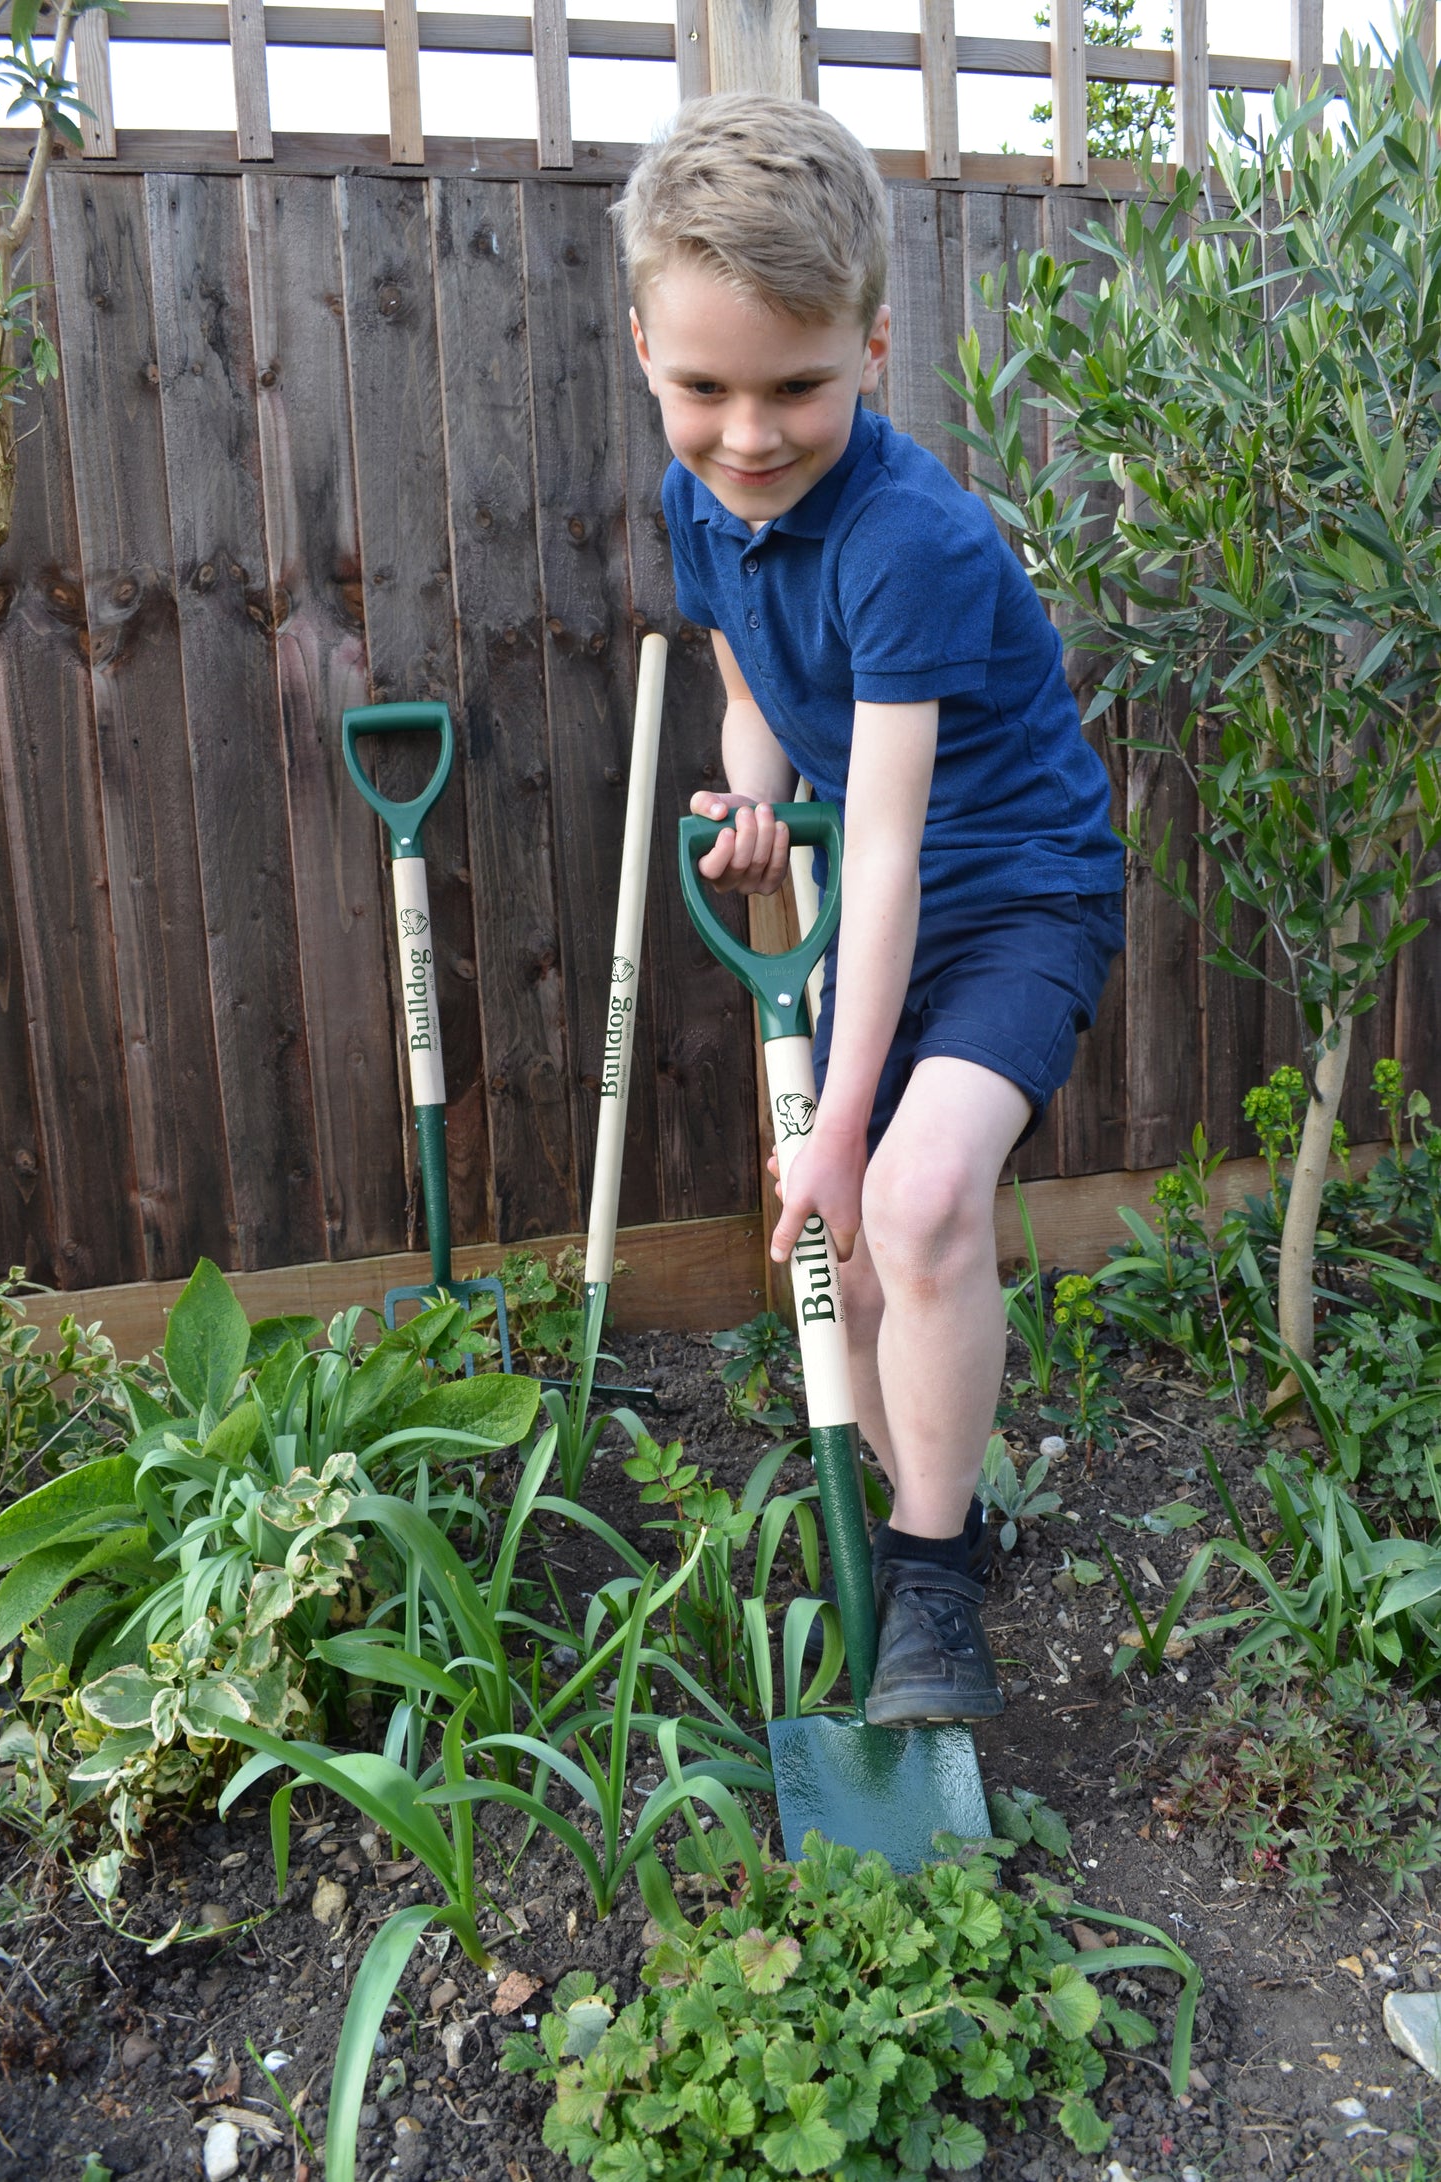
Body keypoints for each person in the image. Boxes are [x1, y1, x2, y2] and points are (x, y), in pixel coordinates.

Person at [616, 94, 1125, 1724]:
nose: (748, 433)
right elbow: (748, 677)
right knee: (863, 1218)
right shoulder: (701, 505)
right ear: (645, 349)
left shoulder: (909, 537)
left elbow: (895, 849)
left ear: (874, 349)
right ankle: (937, 1518)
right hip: (884, 885)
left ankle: (931, 1580)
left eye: (796, 388)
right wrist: (754, 797)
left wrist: (840, 1116)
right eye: (704, 387)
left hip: (1013, 894)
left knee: (901, 1199)